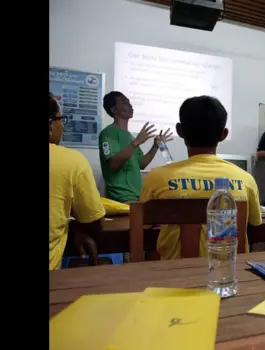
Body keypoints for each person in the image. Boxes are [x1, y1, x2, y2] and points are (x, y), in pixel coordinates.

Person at [140, 96, 262, 260]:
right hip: (227, 278)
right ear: (223, 134)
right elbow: (254, 223)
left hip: (172, 279)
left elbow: (144, 224)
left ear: (179, 131)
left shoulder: (156, 178)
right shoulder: (246, 180)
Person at [49, 93, 105, 270]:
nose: (63, 124)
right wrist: (76, 229)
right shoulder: (70, 161)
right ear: (50, 124)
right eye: (61, 119)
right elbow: (93, 221)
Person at [99, 91, 173, 203]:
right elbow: (113, 164)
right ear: (113, 110)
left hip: (137, 195)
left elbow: (142, 164)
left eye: (129, 102)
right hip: (121, 197)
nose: (130, 105)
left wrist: (155, 146)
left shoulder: (130, 137)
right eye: (124, 102)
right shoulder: (108, 133)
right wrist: (136, 142)